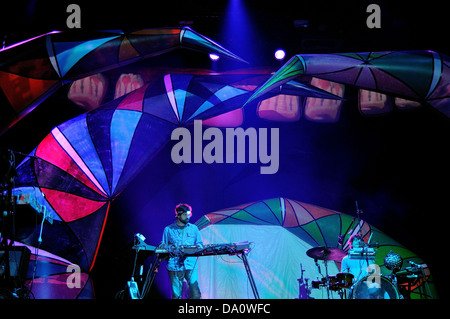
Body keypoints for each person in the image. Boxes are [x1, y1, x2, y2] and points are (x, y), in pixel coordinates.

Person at [161, 203, 203, 299]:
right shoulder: (168, 229)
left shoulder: (194, 228)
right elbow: (163, 245)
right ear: (178, 215)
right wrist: (171, 248)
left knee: (196, 293)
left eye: (189, 214)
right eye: (185, 214)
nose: (187, 216)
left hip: (190, 265)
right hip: (174, 265)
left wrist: (194, 248)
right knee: (177, 295)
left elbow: (200, 244)